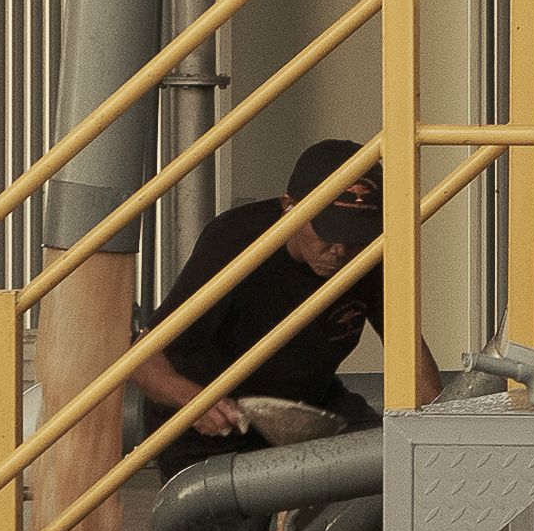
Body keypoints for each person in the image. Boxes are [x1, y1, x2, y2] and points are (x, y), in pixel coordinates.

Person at [150, 162, 383, 440]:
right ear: (289, 207)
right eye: (328, 231)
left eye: (354, 236)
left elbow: (411, 351)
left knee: (391, 454)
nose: (340, 250)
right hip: (216, 420)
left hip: (310, 405)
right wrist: (194, 403)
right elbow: (143, 356)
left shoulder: (366, 252)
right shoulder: (236, 242)